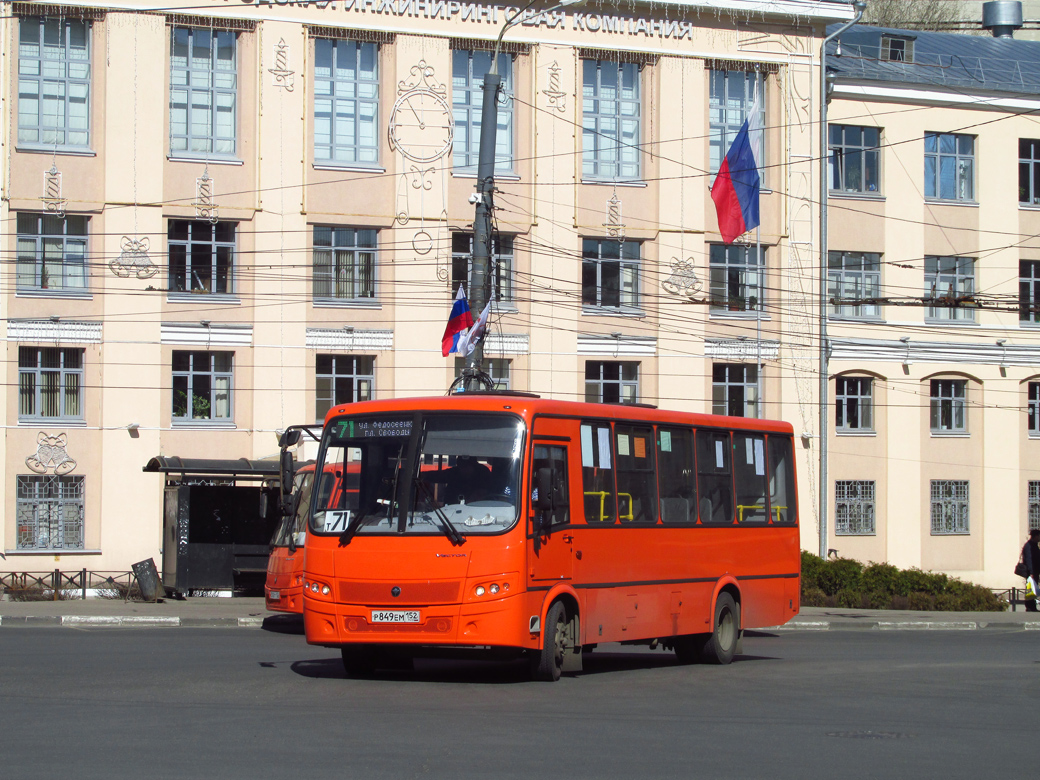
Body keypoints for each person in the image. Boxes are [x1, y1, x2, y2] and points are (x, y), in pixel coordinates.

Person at [1022, 529, 1040, 612]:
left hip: (1035, 571)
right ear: (1035, 536)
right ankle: (1030, 607)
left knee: (1033, 589)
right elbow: (1029, 559)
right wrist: (1031, 572)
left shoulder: (1034, 545)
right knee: (1030, 589)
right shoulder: (1029, 545)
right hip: (1031, 572)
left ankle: (1032, 607)